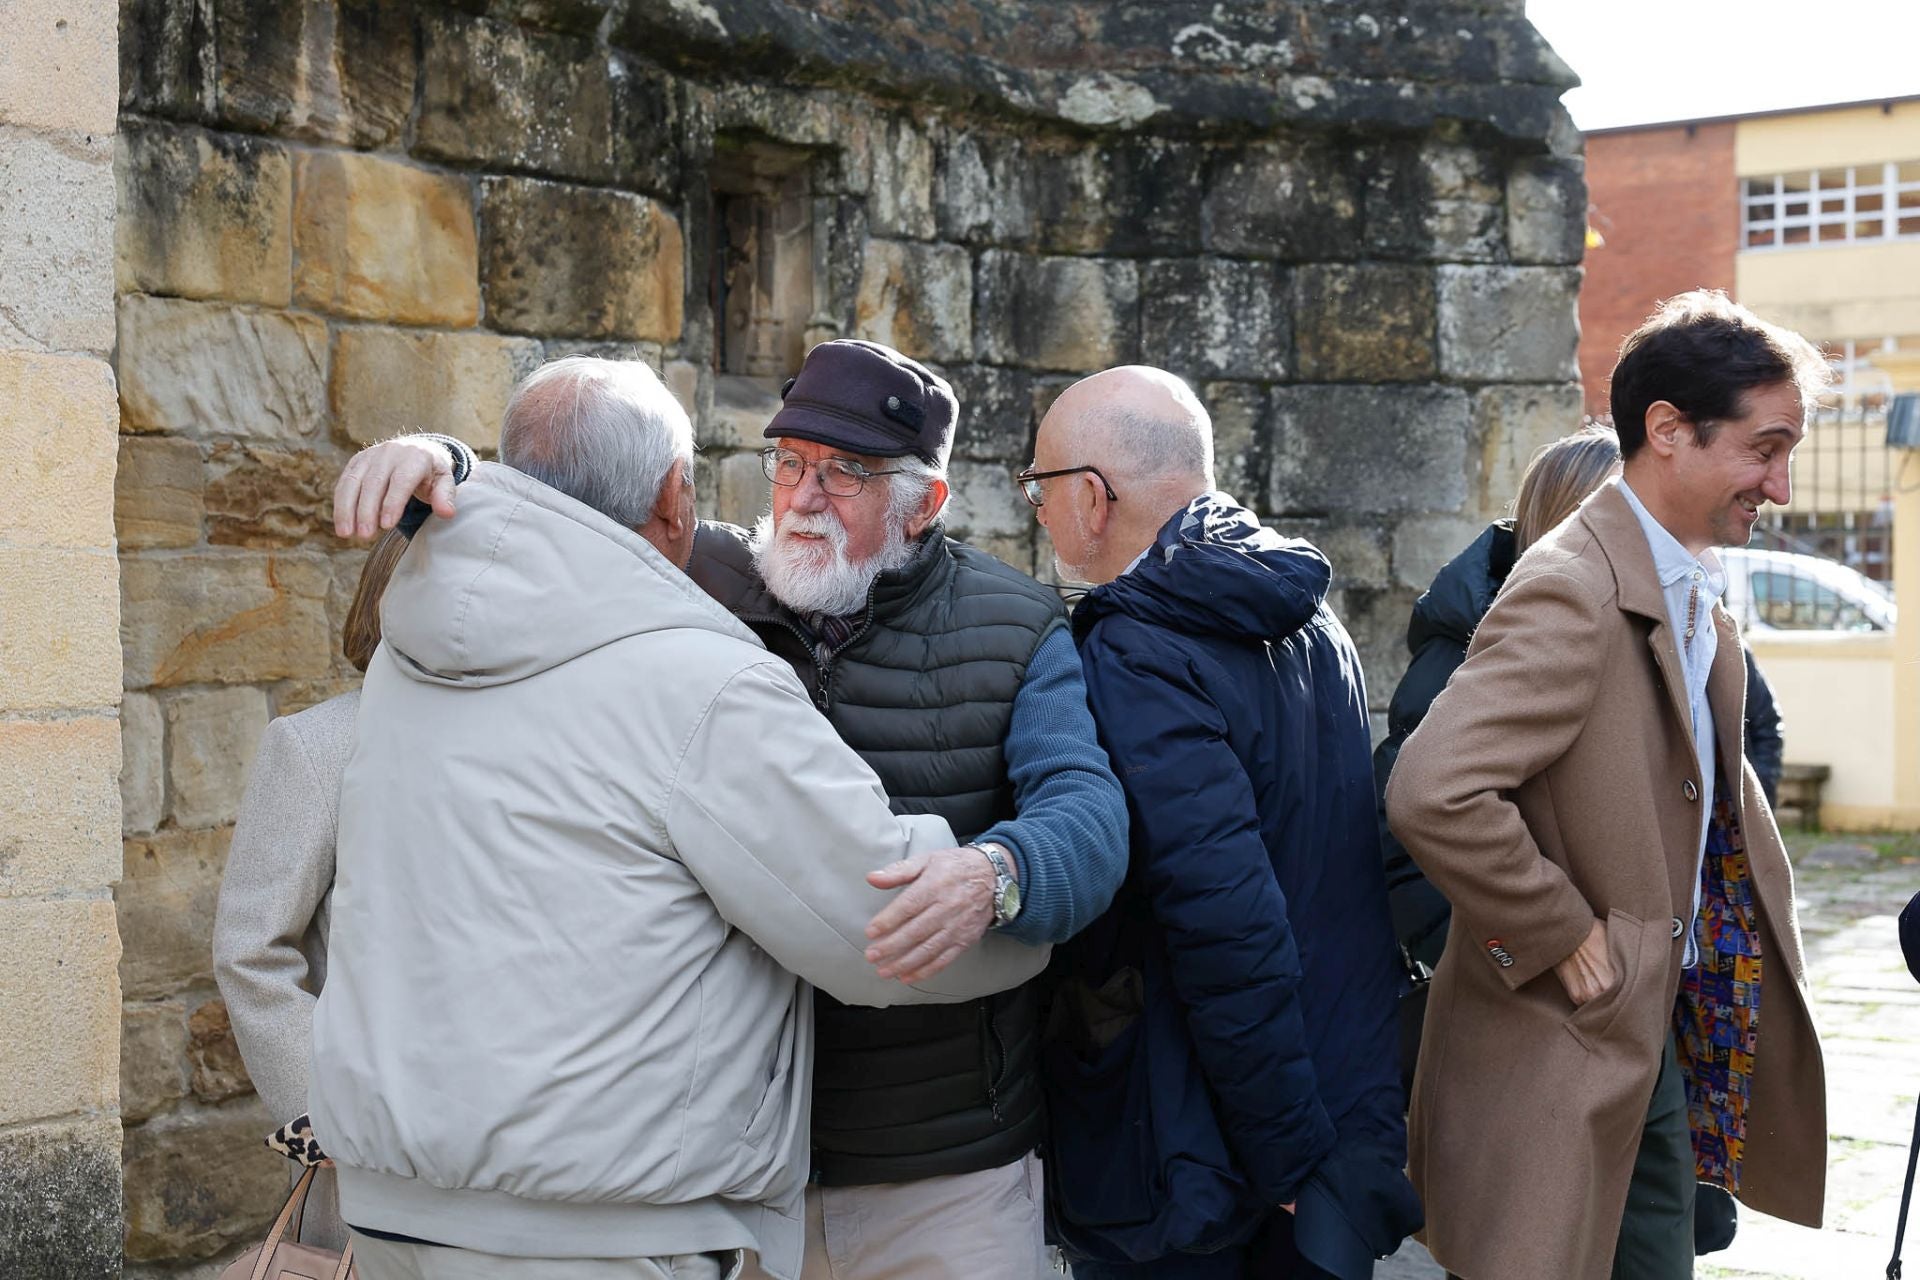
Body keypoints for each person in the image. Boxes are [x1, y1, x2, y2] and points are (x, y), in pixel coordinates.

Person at [330, 340, 1130, 1280]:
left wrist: (1003, 876)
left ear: (926, 504)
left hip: (939, 1171)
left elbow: (1089, 809)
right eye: (787, 462)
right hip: (736, 1181)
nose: (803, 497)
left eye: (847, 474)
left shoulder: (1017, 624)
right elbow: (558, 513)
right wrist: (451, 466)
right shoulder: (682, 573)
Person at [1386, 290, 1831, 1280]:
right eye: (1765, 447)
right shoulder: (1574, 583)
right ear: (1668, 431)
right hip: (1574, 1036)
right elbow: (1433, 788)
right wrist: (1556, 929)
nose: (1782, 483)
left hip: (1648, 1029)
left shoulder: (1688, 575)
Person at [1028, 366, 1420, 1278]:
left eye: (1039, 485)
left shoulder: (1138, 646)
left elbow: (1223, 918)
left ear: (1092, 497)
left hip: (1209, 1145)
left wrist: (1286, 1152)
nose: (1037, 510)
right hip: (1331, 1098)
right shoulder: (1308, 611)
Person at [215, 436, 477, 1250]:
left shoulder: (526, 746)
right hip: (368, 1163)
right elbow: (252, 951)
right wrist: (327, 1116)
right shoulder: (318, 747)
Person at [1373, 423, 1623, 1092]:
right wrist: (1536, 948)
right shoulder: (1464, 648)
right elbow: (1407, 835)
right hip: (1525, 996)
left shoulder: (1639, 623)